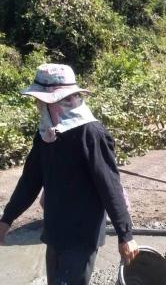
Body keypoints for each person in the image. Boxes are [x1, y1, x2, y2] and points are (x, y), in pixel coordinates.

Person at [0, 63, 139, 285]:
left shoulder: (91, 134)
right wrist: (6, 219)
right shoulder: (46, 135)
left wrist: (125, 235)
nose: (37, 105)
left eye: (41, 102)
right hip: (55, 230)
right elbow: (30, 181)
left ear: (57, 103)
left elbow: (109, 186)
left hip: (82, 235)